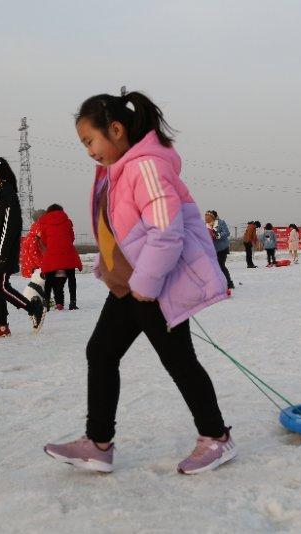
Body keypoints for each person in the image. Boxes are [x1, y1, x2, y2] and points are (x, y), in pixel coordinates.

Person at [44, 90, 236, 475]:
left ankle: (216, 438)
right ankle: (98, 443)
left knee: (179, 362)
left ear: (115, 130)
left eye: (90, 140)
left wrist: (146, 284)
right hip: (129, 287)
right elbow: (117, 230)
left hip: (153, 288)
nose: (89, 151)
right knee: (101, 352)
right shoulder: (113, 172)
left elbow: (167, 232)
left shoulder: (146, 166)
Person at [0, 157, 45, 339]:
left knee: (1, 287)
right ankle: (2, 326)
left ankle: (33, 307)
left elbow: (8, 227)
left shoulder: (7, 195)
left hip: (2, 252)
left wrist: (1, 253)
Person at [37, 204, 83, 311]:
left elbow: (43, 240)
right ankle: (72, 303)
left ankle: (46, 303)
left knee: (49, 279)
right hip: (67, 253)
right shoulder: (67, 221)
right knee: (71, 277)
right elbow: (72, 237)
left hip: (52, 254)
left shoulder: (44, 223)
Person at [205, 210, 234, 290]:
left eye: (208, 216)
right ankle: (218, 283)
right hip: (213, 249)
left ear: (213, 217)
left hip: (222, 248)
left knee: (221, 265)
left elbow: (227, 232)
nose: (206, 218)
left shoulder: (221, 223)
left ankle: (229, 283)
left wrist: (218, 235)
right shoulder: (206, 225)